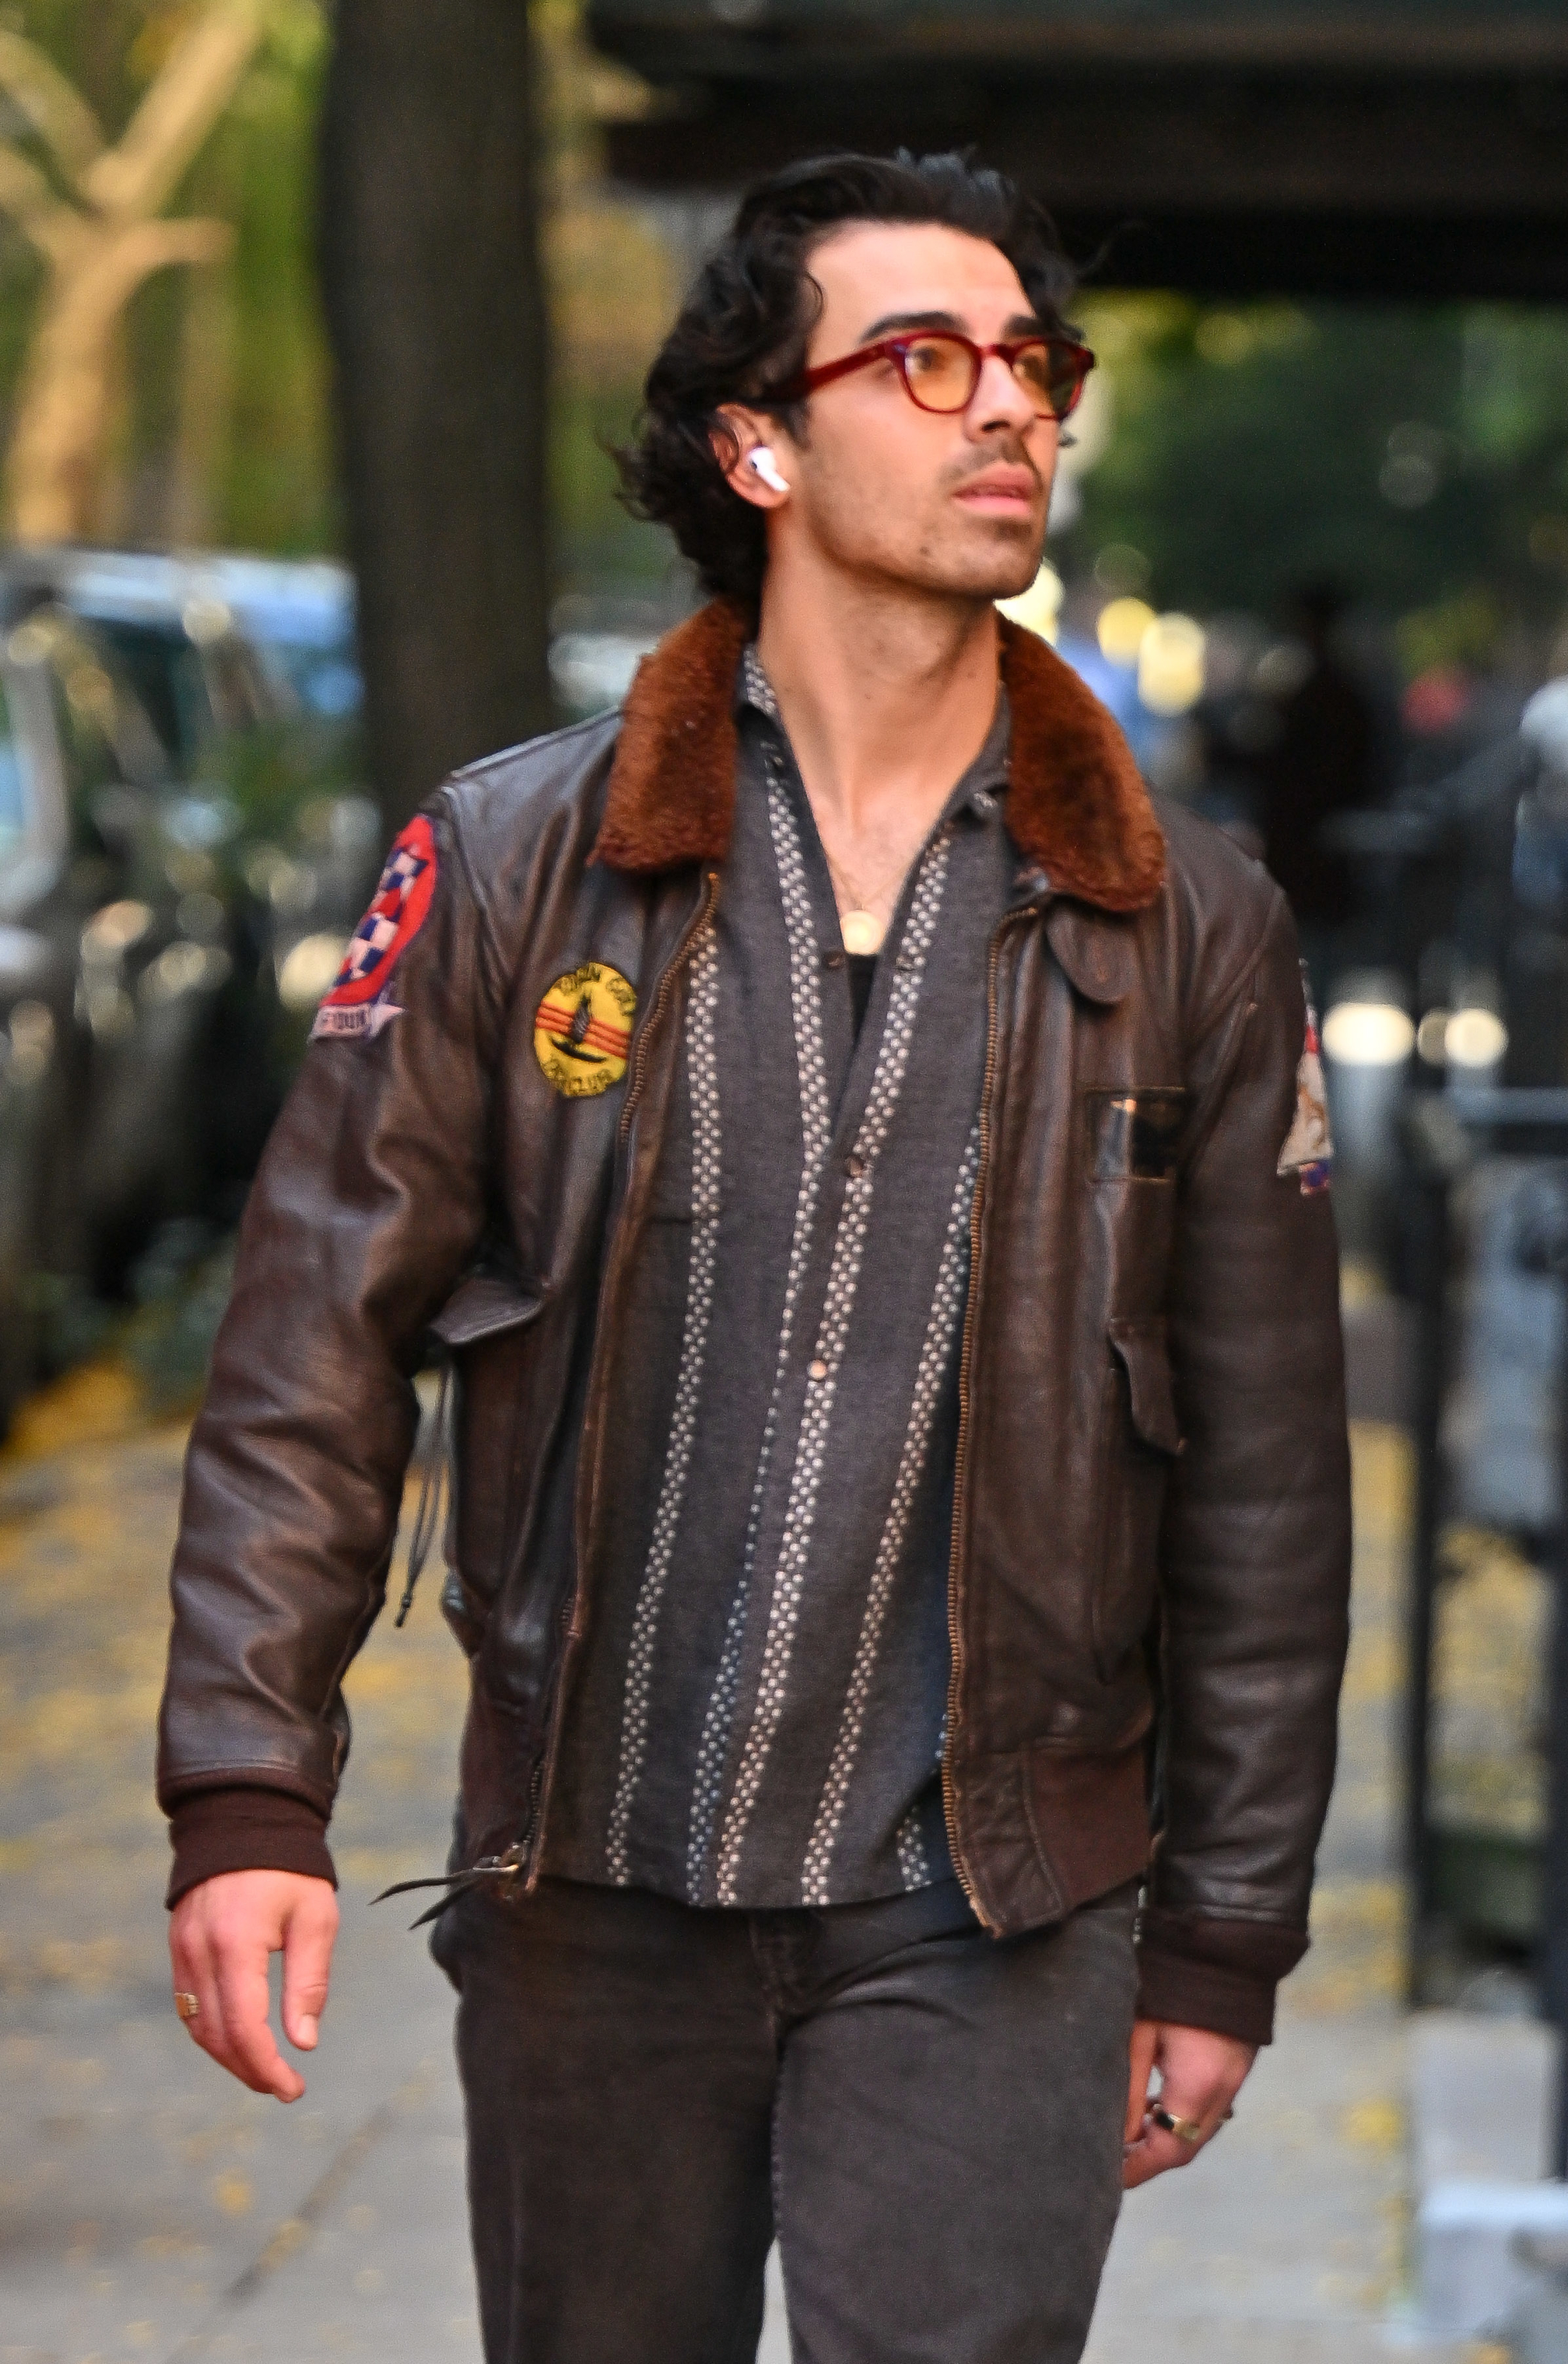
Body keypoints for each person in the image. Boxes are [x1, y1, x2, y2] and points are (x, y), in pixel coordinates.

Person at [153, 152, 1351, 2363]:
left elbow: (1270, 1476)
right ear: (760, 441)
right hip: (591, 1888)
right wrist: (247, 1793)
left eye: (1033, 363)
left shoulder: (1186, 920)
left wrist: (1224, 1938)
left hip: (992, 1899)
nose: (1009, 408)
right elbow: (313, 1354)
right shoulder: (517, 863)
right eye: (928, 358)